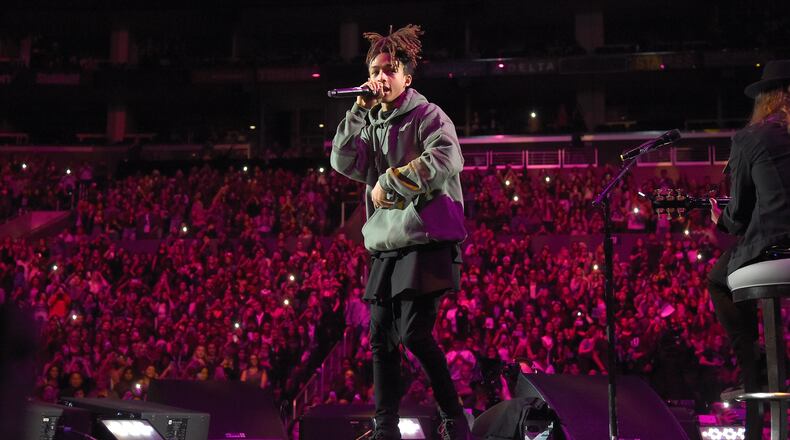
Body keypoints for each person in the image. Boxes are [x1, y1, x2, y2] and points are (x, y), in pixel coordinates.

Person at [330, 24, 469, 440]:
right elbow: (342, 161)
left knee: (413, 333)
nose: (381, 76)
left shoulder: (429, 115)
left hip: (425, 237)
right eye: (376, 69)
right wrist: (356, 110)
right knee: (380, 339)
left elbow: (447, 157)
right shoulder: (370, 120)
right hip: (387, 242)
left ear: (407, 78)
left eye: (390, 70)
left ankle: (453, 418)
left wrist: (390, 182)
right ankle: (384, 427)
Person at [708, 59, 790, 440]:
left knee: (718, 278)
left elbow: (739, 216)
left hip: (776, 246)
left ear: (765, 98)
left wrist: (718, 219)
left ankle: (753, 368)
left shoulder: (751, 138)